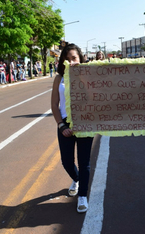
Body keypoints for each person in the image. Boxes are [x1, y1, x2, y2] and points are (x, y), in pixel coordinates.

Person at [51, 43, 93, 213]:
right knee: (67, 161)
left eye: (74, 58)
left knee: (85, 162)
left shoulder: (89, 76)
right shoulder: (58, 78)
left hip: (85, 123)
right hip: (65, 124)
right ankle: (76, 179)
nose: (71, 62)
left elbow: (97, 98)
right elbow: (54, 104)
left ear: (80, 59)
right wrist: (61, 125)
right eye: (67, 59)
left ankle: (82, 195)